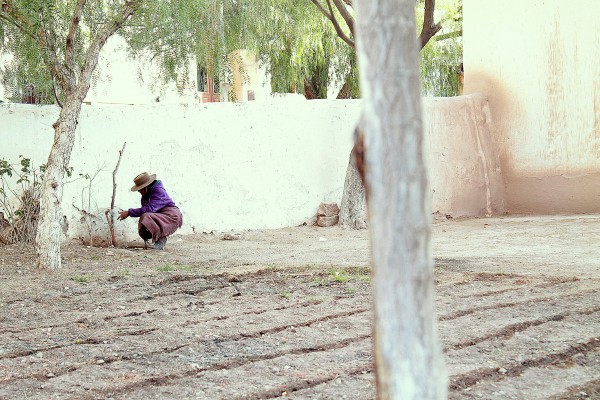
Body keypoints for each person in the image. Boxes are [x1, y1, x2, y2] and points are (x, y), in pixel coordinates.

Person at [118, 172, 182, 250]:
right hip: (162, 215)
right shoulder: (146, 196)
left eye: (140, 190)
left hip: (171, 216)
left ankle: (161, 240)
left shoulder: (158, 191)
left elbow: (149, 209)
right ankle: (154, 240)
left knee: (146, 216)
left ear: (146, 187)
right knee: (144, 220)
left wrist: (129, 212)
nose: (139, 192)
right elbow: (145, 210)